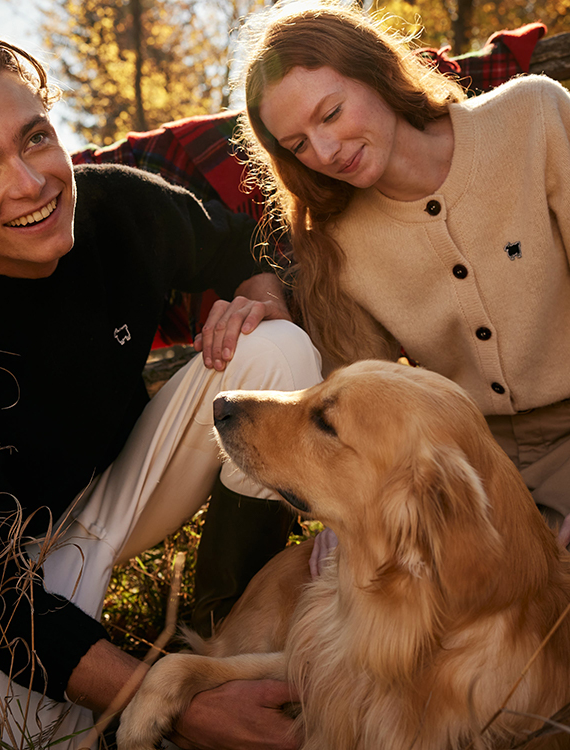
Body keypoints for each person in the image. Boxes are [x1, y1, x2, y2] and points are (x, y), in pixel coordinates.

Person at [0, 34, 322, 749]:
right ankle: (188, 702)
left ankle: (225, 640)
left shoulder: (119, 206)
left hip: (127, 483)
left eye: (34, 138)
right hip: (14, 564)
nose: (32, 182)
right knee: (11, 736)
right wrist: (175, 711)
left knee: (277, 351)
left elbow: (236, 247)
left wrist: (260, 298)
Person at [237, 1, 570, 546]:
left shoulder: (533, 117)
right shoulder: (334, 243)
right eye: (297, 145)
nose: (323, 151)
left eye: (331, 114)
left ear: (377, 71)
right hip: (458, 463)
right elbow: (358, 405)